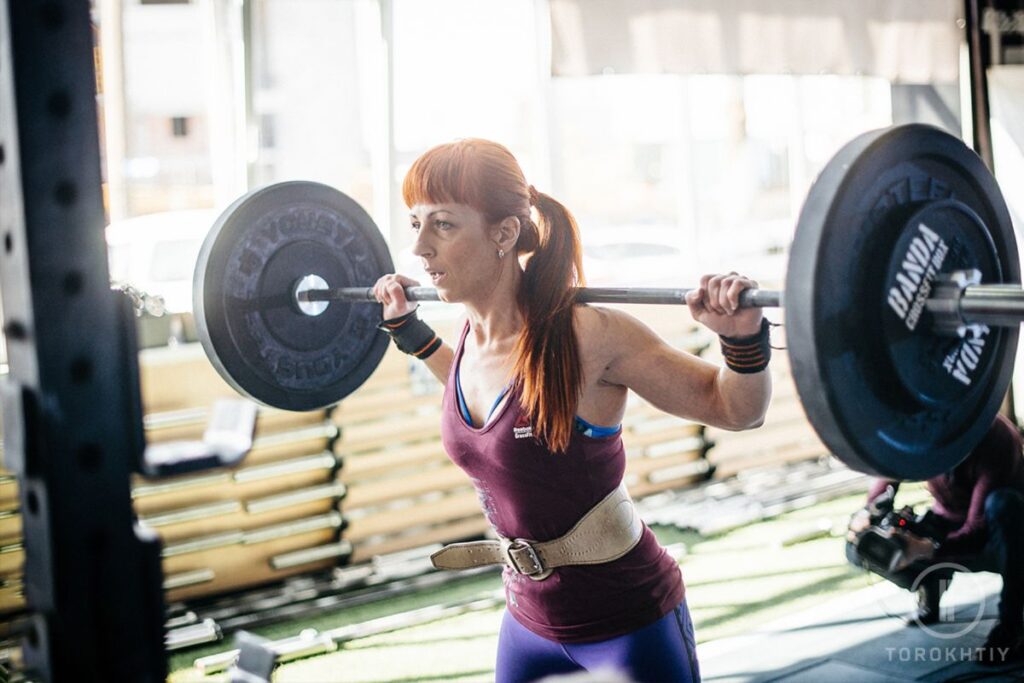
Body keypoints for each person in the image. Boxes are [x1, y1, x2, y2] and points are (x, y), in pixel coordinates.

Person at [372, 138, 771, 683]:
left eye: (442, 224)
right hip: (527, 626)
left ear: (503, 234)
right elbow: (496, 417)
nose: (418, 247)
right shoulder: (468, 338)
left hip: (627, 625)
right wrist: (410, 333)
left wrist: (741, 341)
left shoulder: (589, 336)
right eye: (414, 222)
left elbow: (734, 409)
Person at [847, 414, 1024, 663]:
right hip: (947, 521)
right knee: (860, 545)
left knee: (1004, 506)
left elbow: (976, 529)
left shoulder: (996, 437)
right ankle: (930, 584)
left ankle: (1013, 625)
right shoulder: (923, 427)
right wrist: (869, 512)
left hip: (1000, 534)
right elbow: (890, 466)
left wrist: (924, 549)